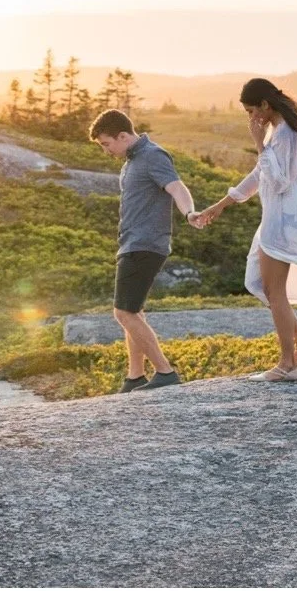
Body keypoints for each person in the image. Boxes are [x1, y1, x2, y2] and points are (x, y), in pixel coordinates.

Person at [193, 78, 297, 382]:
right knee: (261, 283)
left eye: (251, 111)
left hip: (284, 216)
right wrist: (220, 205)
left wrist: (258, 144)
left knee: (274, 291)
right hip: (275, 214)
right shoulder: (276, 129)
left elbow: (280, 181)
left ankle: (288, 364)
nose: (250, 118)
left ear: (265, 105)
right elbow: (261, 174)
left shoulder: (287, 134)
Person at [90, 107, 201, 392]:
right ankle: (134, 377)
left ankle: (165, 372)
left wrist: (189, 213)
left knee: (123, 313)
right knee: (133, 311)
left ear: (123, 135)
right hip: (132, 242)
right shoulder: (130, 162)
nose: (106, 150)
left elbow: (177, 187)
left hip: (146, 243)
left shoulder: (153, 155)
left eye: (106, 143)